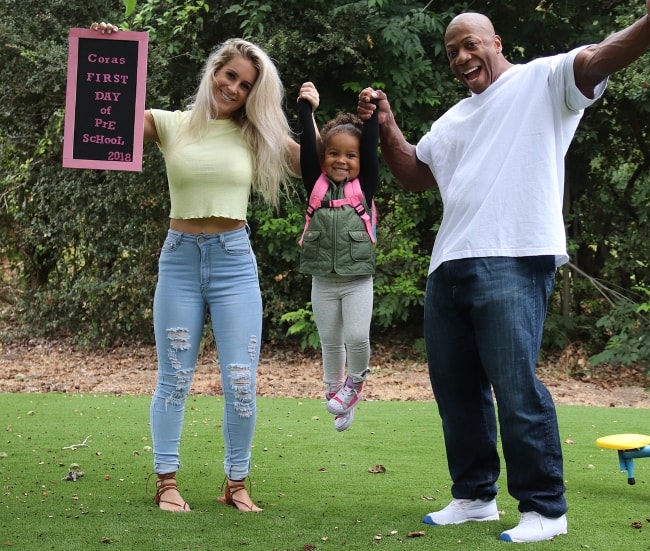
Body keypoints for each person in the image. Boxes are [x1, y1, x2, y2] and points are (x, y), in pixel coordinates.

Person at [357, 5, 650, 543]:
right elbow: (415, 174)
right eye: (452, 52)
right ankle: (473, 497)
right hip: (449, 263)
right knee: (456, 390)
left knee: (515, 387)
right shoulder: (453, 118)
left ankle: (545, 509)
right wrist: (387, 124)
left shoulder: (542, 80)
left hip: (515, 256)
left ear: (495, 41)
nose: (463, 57)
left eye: (470, 44)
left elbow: (598, 58)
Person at [90, 22, 319, 513]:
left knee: (240, 378)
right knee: (174, 376)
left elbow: (314, 167)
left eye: (244, 85)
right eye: (229, 76)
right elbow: (105, 111)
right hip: (179, 262)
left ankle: (237, 483)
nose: (232, 89)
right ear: (214, 70)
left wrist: (306, 113)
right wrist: (107, 51)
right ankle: (166, 482)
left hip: (234, 262)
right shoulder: (170, 124)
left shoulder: (257, 134)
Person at [296, 86, 379, 432]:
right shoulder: (315, 185)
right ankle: (335, 391)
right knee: (330, 342)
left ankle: (354, 385)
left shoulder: (365, 187)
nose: (341, 160)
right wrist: (306, 108)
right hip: (324, 281)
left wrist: (369, 117)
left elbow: (372, 150)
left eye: (350, 155)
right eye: (333, 153)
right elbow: (305, 152)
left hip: (357, 280)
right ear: (323, 156)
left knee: (357, 338)